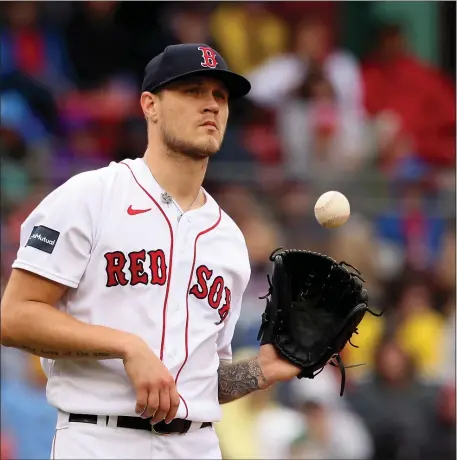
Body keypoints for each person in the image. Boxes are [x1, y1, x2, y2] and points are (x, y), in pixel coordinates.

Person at [1, 43, 302, 460]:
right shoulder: (91, 197)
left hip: (196, 445)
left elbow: (201, 381)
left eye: (220, 96)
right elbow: (14, 317)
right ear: (150, 105)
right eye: (193, 91)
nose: (211, 105)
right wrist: (127, 346)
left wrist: (261, 371)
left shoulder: (229, 239)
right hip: (98, 438)